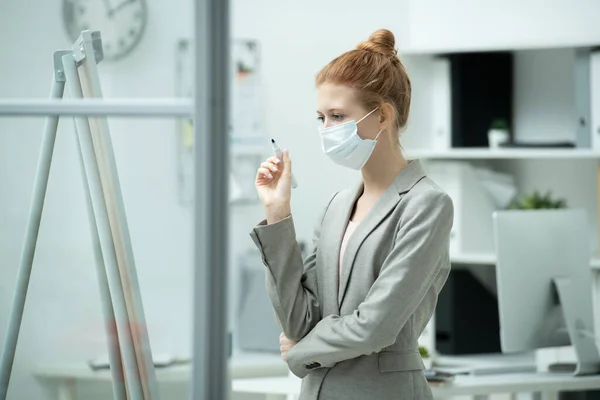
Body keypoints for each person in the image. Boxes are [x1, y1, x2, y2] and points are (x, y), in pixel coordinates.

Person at [249, 29, 454, 400]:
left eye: (338, 116)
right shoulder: (335, 207)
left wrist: (301, 352)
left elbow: (375, 327)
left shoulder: (426, 204)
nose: (326, 130)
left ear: (382, 117)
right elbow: (298, 320)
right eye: (321, 117)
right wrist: (278, 214)